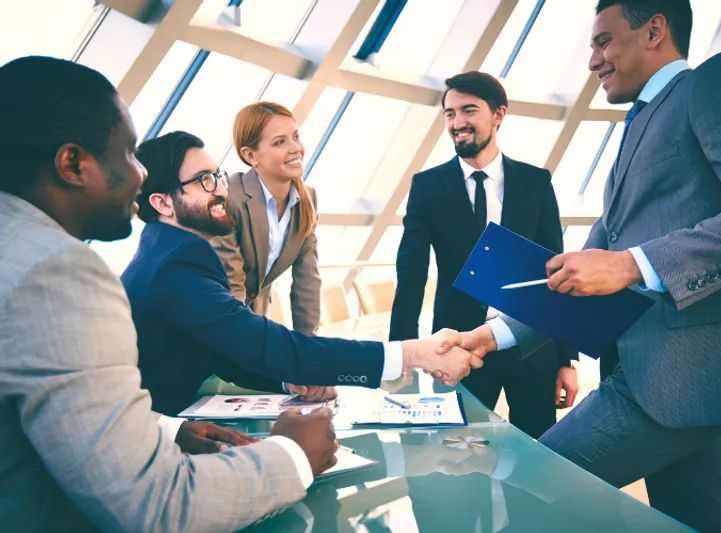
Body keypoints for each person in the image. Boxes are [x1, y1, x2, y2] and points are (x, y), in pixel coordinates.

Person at [438, 1, 721, 531]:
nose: (592, 61)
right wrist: (493, 335)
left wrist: (634, 265)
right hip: (667, 378)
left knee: (523, 492)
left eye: (603, 42)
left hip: (681, 375)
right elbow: (575, 272)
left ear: (654, 30)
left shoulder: (720, 79)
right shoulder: (638, 125)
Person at [0, 55, 343, 532]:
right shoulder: (57, 271)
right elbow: (157, 507)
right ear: (73, 164)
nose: (140, 175)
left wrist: (167, 429)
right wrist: (293, 455)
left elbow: (28, 410)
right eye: (127, 153)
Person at [122, 131, 481, 416]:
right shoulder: (178, 263)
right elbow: (267, 345)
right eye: (203, 181)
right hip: (151, 436)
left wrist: (288, 381)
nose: (221, 188)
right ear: (163, 203)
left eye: (217, 175)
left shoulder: (169, 252)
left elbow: (224, 352)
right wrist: (413, 354)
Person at [389, 71, 579, 439]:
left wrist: (565, 359)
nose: (457, 123)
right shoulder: (427, 186)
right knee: (455, 457)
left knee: (538, 465)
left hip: (531, 346)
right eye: (449, 113)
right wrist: (403, 354)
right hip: (457, 347)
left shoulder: (535, 182)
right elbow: (410, 273)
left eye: (469, 111)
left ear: (498, 114)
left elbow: (555, 271)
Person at [212, 102, 320, 335]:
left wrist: (309, 348)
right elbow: (232, 283)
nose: (295, 148)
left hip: (253, 321)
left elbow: (307, 281)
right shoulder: (230, 196)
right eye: (280, 142)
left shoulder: (307, 199)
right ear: (251, 155)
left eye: (296, 136)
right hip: (215, 325)